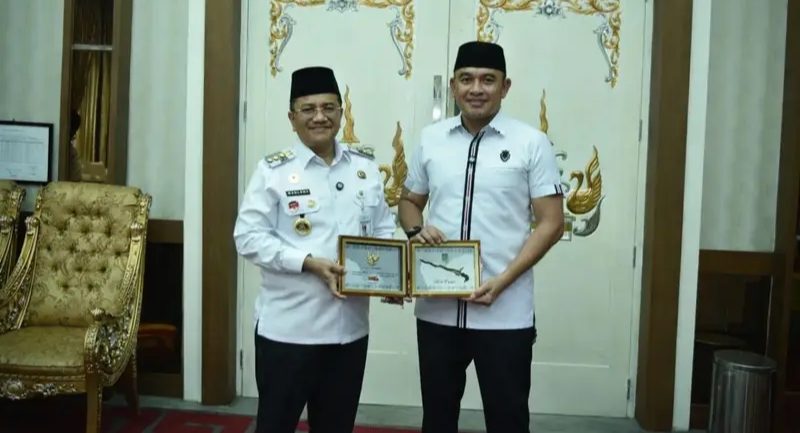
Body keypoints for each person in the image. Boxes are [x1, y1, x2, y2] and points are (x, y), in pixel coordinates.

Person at [398, 41, 565, 433]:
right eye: (467, 79)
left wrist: (503, 281)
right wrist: (416, 230)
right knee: (437, 418)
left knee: (508, 419)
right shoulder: (431, 138)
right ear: (453, 86)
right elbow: (409, 202)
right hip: (437, 309)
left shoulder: (531, 142)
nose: (476, 89)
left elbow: (551, 222)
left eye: (488, 80)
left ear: (505, 87)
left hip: (504, 310)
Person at [234, 66, 396, 433]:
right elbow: (248, 237)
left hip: (349, 332)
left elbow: (383, 229)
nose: (319, 117)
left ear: (341, 112)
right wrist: (307, 263)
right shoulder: (273, 171)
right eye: (308, 109)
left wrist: (391, 277)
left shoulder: (365, 168)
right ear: (292, 118)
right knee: (275, 425)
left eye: (328, 107)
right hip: (289, 331)